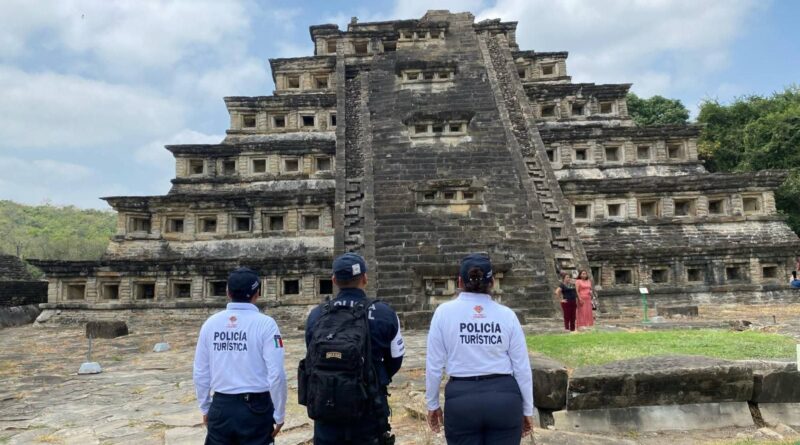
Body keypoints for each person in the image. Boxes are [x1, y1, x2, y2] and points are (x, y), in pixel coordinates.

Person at [425, 253, 534, 445]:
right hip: (504, 399)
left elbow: (434, 365)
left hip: (462, 400)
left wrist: (432, 404)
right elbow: (522, 367)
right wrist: (527, 409)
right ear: (492, 282)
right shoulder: (506, 315)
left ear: (459, 280)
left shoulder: (443, 313)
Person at [303, 253, 405, 444]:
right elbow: (396, 359)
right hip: (368, 408)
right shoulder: (384, 313)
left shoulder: (317, 315)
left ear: (334, 280)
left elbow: (311, 356)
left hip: (326, 407)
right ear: (365, 278)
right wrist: (375, 377)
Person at [193, 267, 287, 445]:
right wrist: (279, 414)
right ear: (257, 293)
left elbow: (200, 371)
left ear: (228, 292)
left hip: (221, 405)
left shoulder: (211, 324)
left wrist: (205, 407)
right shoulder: (266, 324)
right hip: (256, 408)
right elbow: (276, 374)